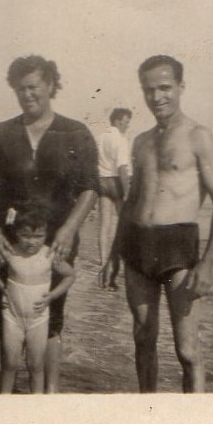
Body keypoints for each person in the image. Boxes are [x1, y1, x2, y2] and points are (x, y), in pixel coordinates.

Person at [99, 55, 213, 393]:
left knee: (187, 350)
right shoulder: (141, 141)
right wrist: (114, 255)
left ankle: (194, 417)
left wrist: (208, 264)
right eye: (149, 90)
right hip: (137, 247)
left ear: (181, 86)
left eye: (165, 88)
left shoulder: (198, 136)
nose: (157, 97)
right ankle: (150, 409)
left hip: (178, 247)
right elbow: (131, 202)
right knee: (143, 337)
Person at [0, 55, 99, 393]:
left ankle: (49, 393)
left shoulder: (76, 132)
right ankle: (8, 391)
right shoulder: (1, 133)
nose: (27, 95)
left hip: (55, 236)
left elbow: (90, 188)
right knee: (8, 310)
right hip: (6, 236)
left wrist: (69, 229)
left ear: (51, 86)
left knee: (50, 313)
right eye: (20, 89)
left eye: (34, 87)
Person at [0, 205, 75, 394]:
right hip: (12, 315)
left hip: (38, 318)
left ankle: (36, 404)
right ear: (16, 232)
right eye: (26, 235)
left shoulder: (49, 254)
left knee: (36, 365)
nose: (32, 242)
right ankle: (4, 400)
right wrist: (2, 288)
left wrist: (52, 296)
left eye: (38, 236)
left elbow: (70, 275)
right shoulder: (10, 252)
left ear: (46, 234)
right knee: (10, 363)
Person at [96, 107, 132, 291]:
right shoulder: (121, 139)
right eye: (126, 122)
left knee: (104, 227)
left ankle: (103, 263)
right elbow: (122, 168)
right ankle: (119, 265)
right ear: (117, 121)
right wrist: (127, 192)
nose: (127, 126)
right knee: (122, 227)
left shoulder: (101, 137)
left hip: (101, 181)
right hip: (116, 182)